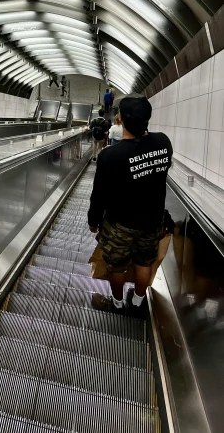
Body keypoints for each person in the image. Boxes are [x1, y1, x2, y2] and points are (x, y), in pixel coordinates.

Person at [87, 96, 173, 314]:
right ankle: (137, 303)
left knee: (117, 267)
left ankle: (116, 304)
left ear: (121, 119)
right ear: (147, 119)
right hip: (152, 220)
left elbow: (99, 195)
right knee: (145, 263)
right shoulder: (163, 143)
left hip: (120, 224)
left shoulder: (110, 156)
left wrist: (93, 220)